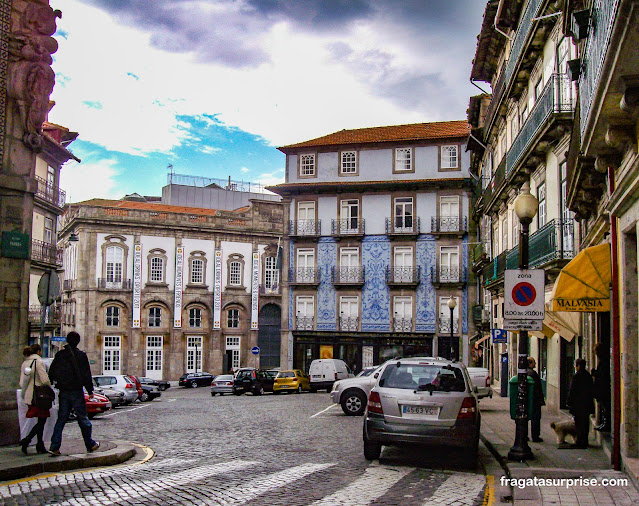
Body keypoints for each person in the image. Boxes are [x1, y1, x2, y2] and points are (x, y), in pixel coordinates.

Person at [47, 332, 99, 456]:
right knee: (83, 418)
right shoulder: (81, 355)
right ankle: (90, 444)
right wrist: (90, 390)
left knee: (61, 419)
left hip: (64, 391)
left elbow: (52, 372)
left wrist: (56, 383)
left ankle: (54, 446)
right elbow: (86, 374)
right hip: (76, 391)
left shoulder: (60, 355)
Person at [19, 344, 52, 454]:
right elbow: (45, 380)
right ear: (38, 351)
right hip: (39, 396)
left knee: (40, 420)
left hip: (30, 396)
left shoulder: (25, 363)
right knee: (42, 421)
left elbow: (21, 382)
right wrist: (50, 387)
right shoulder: (38, 362)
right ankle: (27, 440)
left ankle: (40, 444)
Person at [567, 358, 595, 449]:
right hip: (586, 403)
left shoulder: (576, 376)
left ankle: (580, 441)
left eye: (576, 365)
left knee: (579, 423)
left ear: (578, 366)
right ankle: (585, 440)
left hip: (578, 404)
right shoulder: (588, 376)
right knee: (585, 423)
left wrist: (569, 402)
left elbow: (572, 390)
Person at [592, 343, 611, 432]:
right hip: (602, 388)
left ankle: (605, 424)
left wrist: (595, 373)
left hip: (604, 389)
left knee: (606, 407)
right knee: (604, 407)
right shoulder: (603, 360)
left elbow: (603, 375)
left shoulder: (604, 361)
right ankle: (604, 423)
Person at [527, 356, 545, 442]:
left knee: (525, 418)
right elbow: (538, 388)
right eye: (534, 362)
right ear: (530, 363)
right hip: (535, 400)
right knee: (535, 418)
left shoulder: (525, 373)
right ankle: (535, 436)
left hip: (527, 399)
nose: (535, 364)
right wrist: (540, 399)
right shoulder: (533, 374)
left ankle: (524, 435)